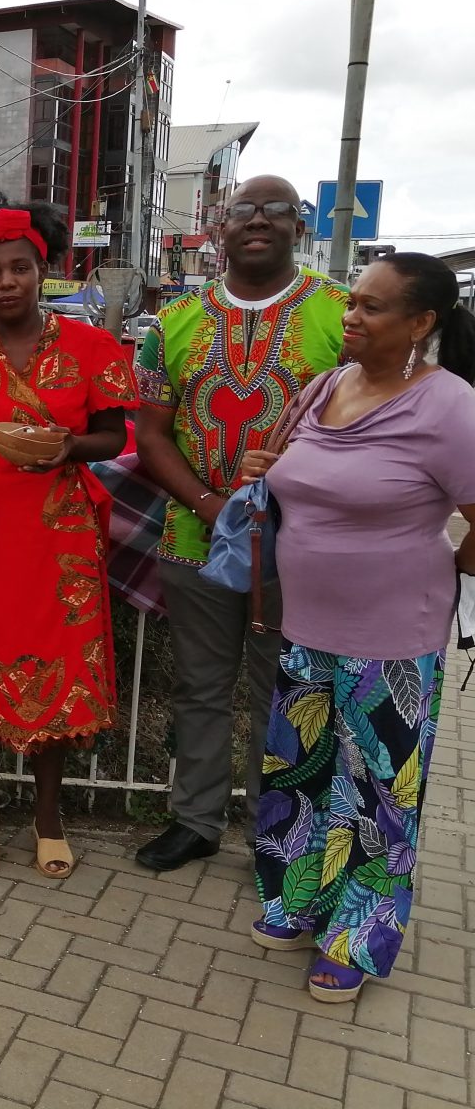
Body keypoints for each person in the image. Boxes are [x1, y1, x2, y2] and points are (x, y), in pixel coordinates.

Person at [238, 254, 475, 1001]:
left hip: (393, 635)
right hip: (306, 625)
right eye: (351, 303)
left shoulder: (449, 406)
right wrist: (261, 468)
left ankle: (360, 934)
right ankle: (299, 901)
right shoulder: (327, 386)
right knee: (299, 772)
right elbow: (285, 471)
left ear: (420, 324)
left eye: (372, 308)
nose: (351, 316)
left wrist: (447, 567)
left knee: (377, 791)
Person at [133, 176, 346, 872]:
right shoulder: (174, 324)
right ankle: (194, 820)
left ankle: (275, 830)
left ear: (299, 226)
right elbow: (153, 433)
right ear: (218, 229)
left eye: (276, 210)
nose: (259, 221)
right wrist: (210, 505)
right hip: (194, 540)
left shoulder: (340, 316)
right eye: (243, 211)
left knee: (284, 690)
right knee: (199, 686)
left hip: (300, 548)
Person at [0, 198, 136, 879]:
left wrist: (69, 446)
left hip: (59, 537)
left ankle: (49, 819)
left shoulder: (94, 349)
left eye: (20, 267)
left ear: (43, 270)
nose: (7, 280)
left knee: (58, 667)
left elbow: (115, 435)